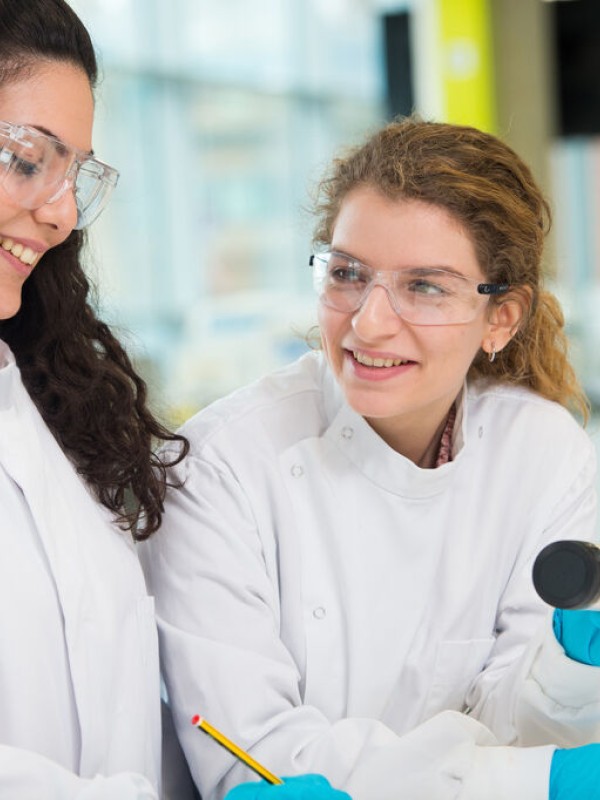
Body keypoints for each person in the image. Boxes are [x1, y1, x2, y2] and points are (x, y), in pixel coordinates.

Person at [143, 116, 600, 800]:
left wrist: (567, 671)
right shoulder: (220, 469)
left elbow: (527, 727)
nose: (368, 322)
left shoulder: (540, 451)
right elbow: (255, 758)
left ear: (501, 317)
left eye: (425, 286)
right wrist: (531, 781)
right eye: (348, 274)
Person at [0, 2, 349, 799]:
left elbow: (104, 710)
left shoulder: (33, 414)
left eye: (74, 174)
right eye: (25, 158)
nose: (59, 213)